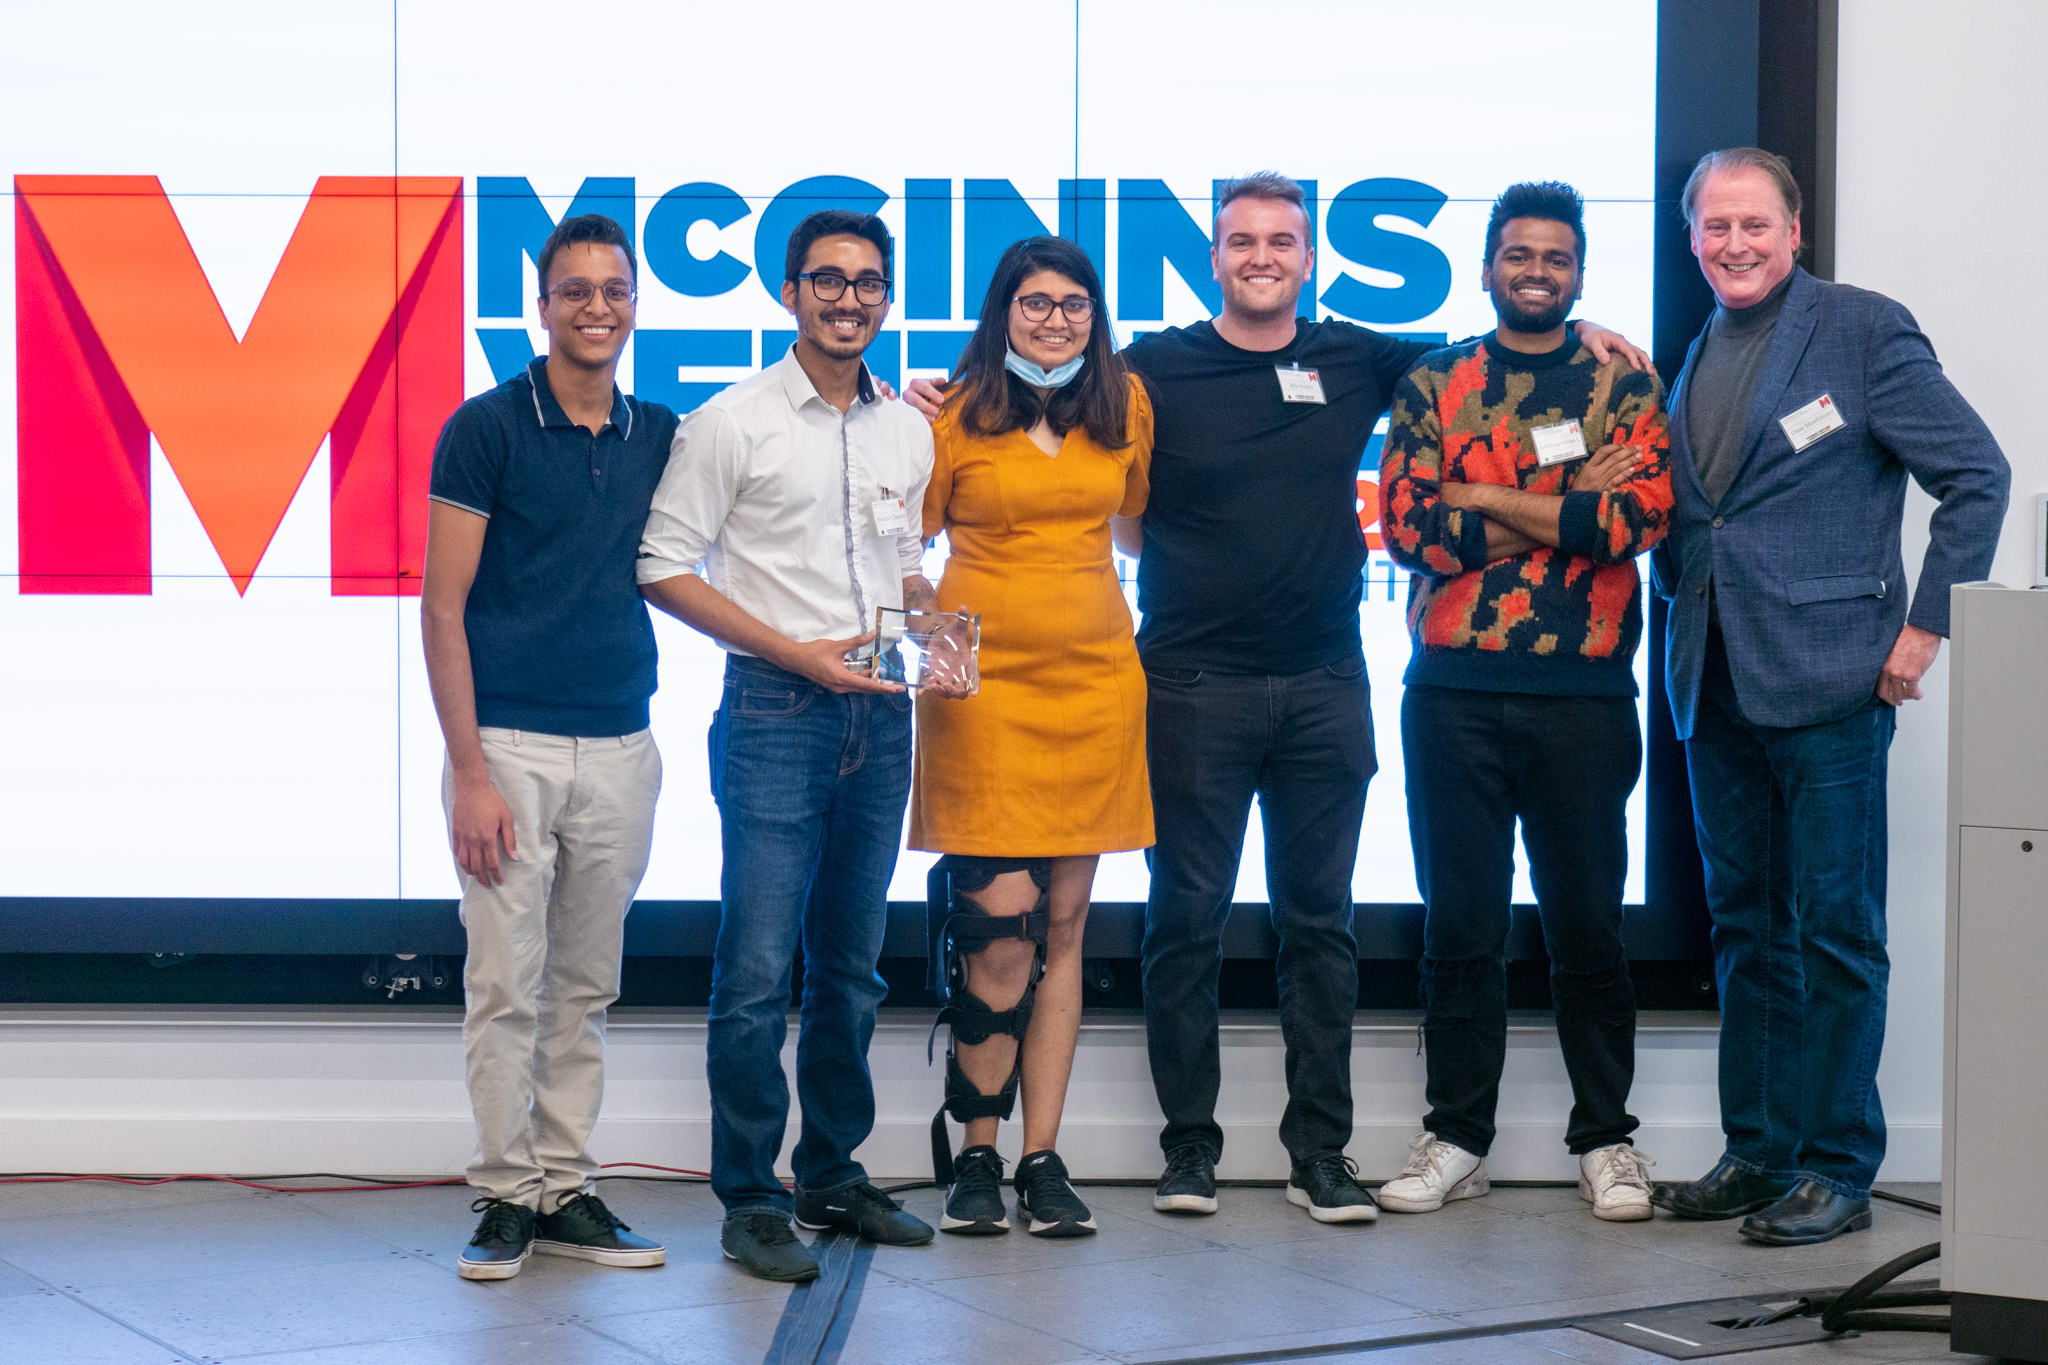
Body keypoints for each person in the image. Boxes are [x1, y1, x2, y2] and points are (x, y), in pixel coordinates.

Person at [910, 172, 1650, 1223]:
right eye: (1241, 240)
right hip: (1185, 681)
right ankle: (1186, 1153)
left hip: (1321, 681)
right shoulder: (1144, 371)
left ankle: (1319, 1156)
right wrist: (929, 400)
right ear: (1212, 256)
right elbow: (1043, 473)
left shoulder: (1358, 355)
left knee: (1321, 926)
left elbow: (1486, 353)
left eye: (1282, 240)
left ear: (1308, 257)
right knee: (1184, 923)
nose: (1262, 255)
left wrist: (1593, 335)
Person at [1647, 148, 2007, 1245]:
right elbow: (1705, 517)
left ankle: (1838, 1170)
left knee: (1835, 933)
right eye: (1714, 227)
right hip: (1711, 679)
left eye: (1753, 225)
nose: (1733, 244)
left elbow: (1974, 474)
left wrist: (1925, 626)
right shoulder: (1698, 346)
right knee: (1744, 929)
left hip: (1831, 681)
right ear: (1692, 237)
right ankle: (1755, 1152)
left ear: (1793, 231)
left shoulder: (1858, 328)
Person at [637, 209, 937, 1282]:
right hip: (775, 710)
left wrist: (924, 613)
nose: (846, 298)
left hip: (881, 712)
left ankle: (832, 1175)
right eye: (826, 280)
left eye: (866, 282)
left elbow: (900, 559)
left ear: (886, 296)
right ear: (788, 293)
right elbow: (663, 566)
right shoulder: (733, 421)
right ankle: (752, 1198)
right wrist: (799, 656)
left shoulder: (907, 427)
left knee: (850, 972)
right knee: (759, 971)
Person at [1376, 182, 1669, 1223]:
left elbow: (1628, 524)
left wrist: (1480, 499)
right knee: (1459, 926)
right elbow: (1408, 532)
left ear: (1577, 271)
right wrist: (1558, 502)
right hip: (1450, 693)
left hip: (1583, 697)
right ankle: (1457, 1136)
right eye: (1516, 254)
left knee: (1585, 928)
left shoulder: (1620, 378)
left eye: (1553, 257)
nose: (1534, 271)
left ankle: (1606, 1141)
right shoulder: (1434, 380)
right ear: (1488, 265)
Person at [422, 213, 674, 1281]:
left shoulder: (659, 433)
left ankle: (565, 1186)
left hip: (621, 745)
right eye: (574, 290)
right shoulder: (484, 428)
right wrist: (470, 774)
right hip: (509, 751)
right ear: (542, 304)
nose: (596, 308)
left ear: (633, 305)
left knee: (583, 987)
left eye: (613, 290)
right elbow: (442, 609)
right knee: (505, 988)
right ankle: (502, 1195)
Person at [912, 235, 1153, 1238]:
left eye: (1072, 303)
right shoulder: (949, 412)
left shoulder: (1125, 405)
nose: (1053, 319)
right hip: (983, 700)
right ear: (1000, 310)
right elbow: (895, 544)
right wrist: (925, 625)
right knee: (995, 939)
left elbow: (1131, 526)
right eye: (1033, 301)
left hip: (1095, 688)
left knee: (1061, 934)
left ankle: (1041, 1159)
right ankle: (974, 1152)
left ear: (1093, 316)